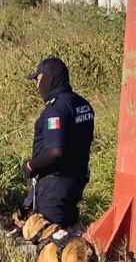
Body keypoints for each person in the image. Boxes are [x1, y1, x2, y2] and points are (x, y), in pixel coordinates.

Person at [21, 57, 94, 229]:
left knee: (51, 241)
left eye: (38, 80)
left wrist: (31, 165)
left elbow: (55, 151)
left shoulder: (56, 109)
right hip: (76, 180)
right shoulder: (82, 105)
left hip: (55, 186)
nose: (37, 86)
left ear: (48, 78)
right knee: (67, 235)